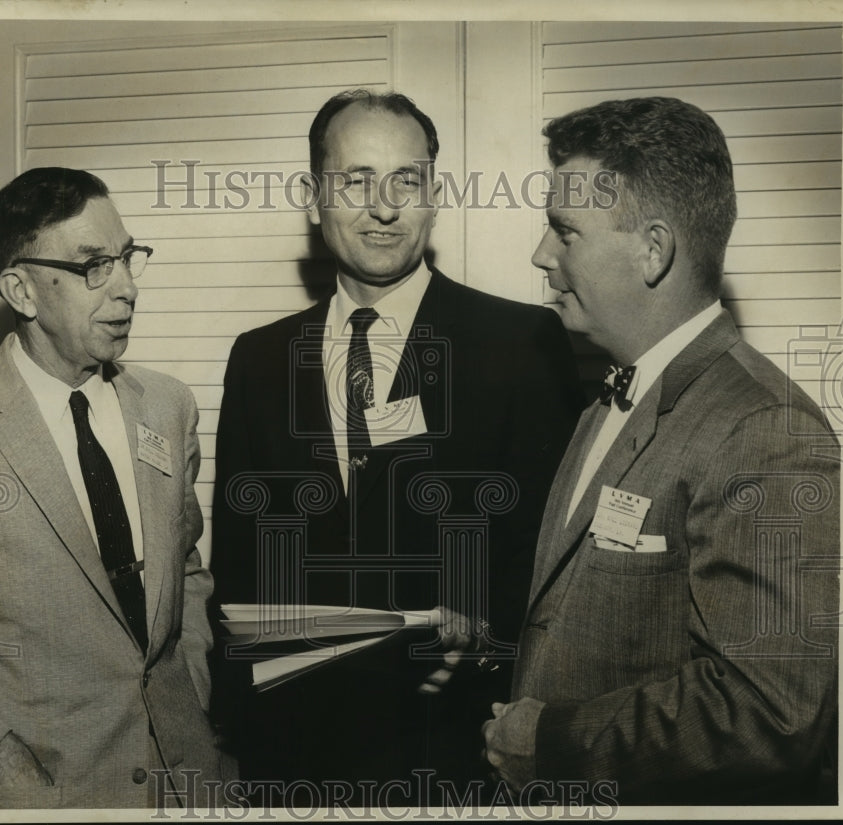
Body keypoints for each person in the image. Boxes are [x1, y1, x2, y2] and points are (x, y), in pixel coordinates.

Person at [209, 89, 584, 799]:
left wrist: (477, 643)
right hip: (294, 761)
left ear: (434, 195)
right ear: (314, 197)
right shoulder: (258, 358)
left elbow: (549, 566)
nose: (384, 207)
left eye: (406, 180)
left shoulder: (521, 345)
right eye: (355, 180)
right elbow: (240, 569)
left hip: (461, 757)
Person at [484, 96, 840, 806]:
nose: (541, 255)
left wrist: (548, 742)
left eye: (565, 231)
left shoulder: (765, 430)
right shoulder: (605, 399)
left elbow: (768, 713)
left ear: (653, 249)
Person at [0, 167, 233, 809]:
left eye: (128, 258)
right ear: (21, 289)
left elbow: (183, 569)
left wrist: (188, 686)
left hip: (191, 785)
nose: (128, 287)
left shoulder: (167, 407)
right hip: (39, 801)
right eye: (94, 265)